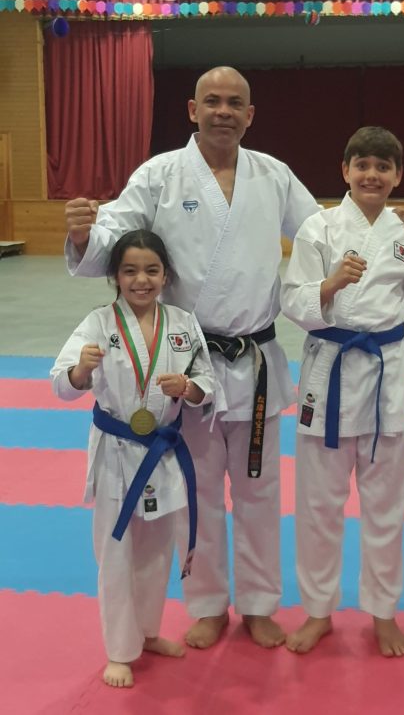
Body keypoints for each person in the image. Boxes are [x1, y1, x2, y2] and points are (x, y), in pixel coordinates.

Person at [63, 66, 404, 650]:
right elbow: (116, 236)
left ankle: (258, 604)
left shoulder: (273, 175)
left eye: (235, 103)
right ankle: (207, 604)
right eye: (212, 101)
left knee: (258, 492)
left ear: (250, 115)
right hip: (189, 363)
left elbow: (329, 229)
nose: (223, 111)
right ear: (192, 109)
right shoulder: (158, 175)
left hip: (255, 360)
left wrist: (390, 224)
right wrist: (84, 236)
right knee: (198, 488)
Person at [280, 126, 404, 657]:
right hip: (329, 373)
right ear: (344, 170)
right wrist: (330, 284)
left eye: (383, 167)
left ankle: (383, 613)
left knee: (386, 506)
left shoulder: (403, 238)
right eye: (362, 164)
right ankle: (318, 611)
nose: (372, 174)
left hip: (387, 378)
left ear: (397, 176)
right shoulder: (317, 229)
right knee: (318, 505)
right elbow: (291, 299)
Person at [50, 230, 219, 687]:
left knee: (156, 551)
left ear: (166, 275)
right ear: (115, 276)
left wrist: (189, 388)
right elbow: (60, 383)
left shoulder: (182, 323)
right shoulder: (98, 323)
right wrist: (81, 371)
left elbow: (207, 381)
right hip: (117, 453)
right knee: (117, 553)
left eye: (151, 270)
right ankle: (119, 651)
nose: (141, 280)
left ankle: (147, 632)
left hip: (163, 453)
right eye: (130, 271)